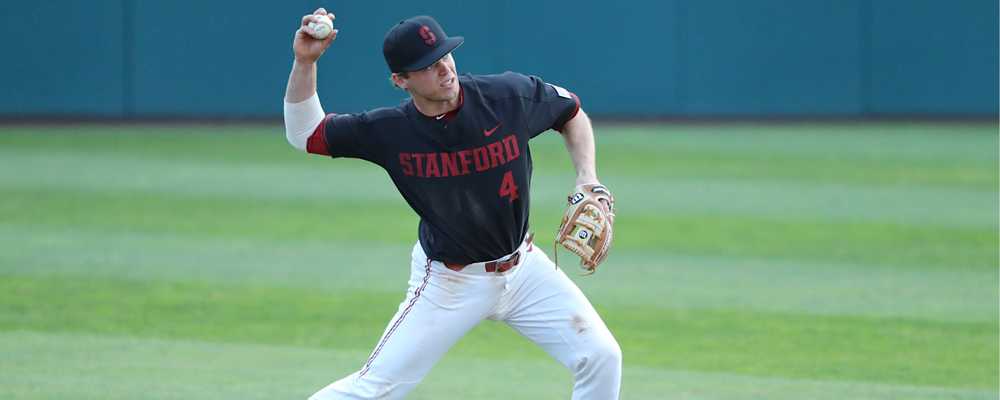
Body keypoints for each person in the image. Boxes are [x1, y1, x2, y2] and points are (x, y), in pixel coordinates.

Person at [283, 8, 621, 399]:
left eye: (445, 54)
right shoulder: (389, 131)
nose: (444, 68)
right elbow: (306, 134)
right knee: (375, 388)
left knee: (601, 356)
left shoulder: (506, 98)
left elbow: (570, 111)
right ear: (401, 80)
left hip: (524, 268)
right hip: (450, 283)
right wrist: (305, 61)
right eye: (428, 65)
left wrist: (587, 177)